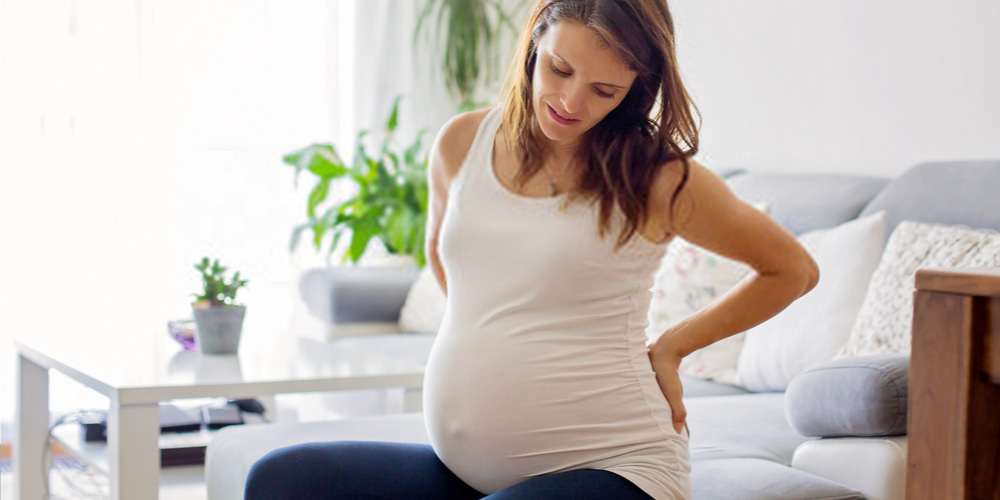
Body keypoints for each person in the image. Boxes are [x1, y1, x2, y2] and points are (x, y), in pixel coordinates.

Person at [245, 0, 819, 498]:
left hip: (617, 469)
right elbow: (448, 264)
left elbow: (791, 269)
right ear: (535, 40)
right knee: (281, 480)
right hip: (472, 474)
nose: (571, 102)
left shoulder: (658, 179)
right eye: (559, 68)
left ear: (636, 89)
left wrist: (671, 347)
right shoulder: (462, 143)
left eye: (604, 90)